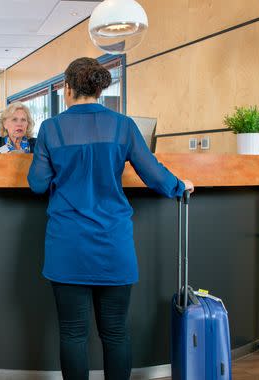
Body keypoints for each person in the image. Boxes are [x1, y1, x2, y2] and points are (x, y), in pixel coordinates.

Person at [27, 57, 194, 380]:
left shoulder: (51, 128)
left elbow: (36, 184)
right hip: (112, 243)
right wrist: (179, 186)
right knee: (116, 332)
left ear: (67, 88)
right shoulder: (123, 125)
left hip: (68, 243)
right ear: (99, 89)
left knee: (73, 334)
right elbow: (154, 175)